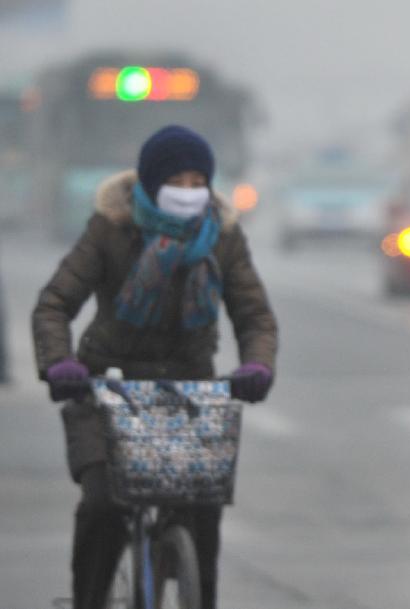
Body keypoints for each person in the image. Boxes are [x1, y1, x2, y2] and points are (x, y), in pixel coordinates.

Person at [32, 124, 278, 609]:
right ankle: (89, 599)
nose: (187, 192)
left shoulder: (223, 237)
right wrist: (59, 364)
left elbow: (255, 316)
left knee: (202, 510)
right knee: (103, 504)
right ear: (148, 183)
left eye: (196, 182)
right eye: (175, 181)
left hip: (188, 394)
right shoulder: (111, 229)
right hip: (106, 389)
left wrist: (257, 367)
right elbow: (54, 304)